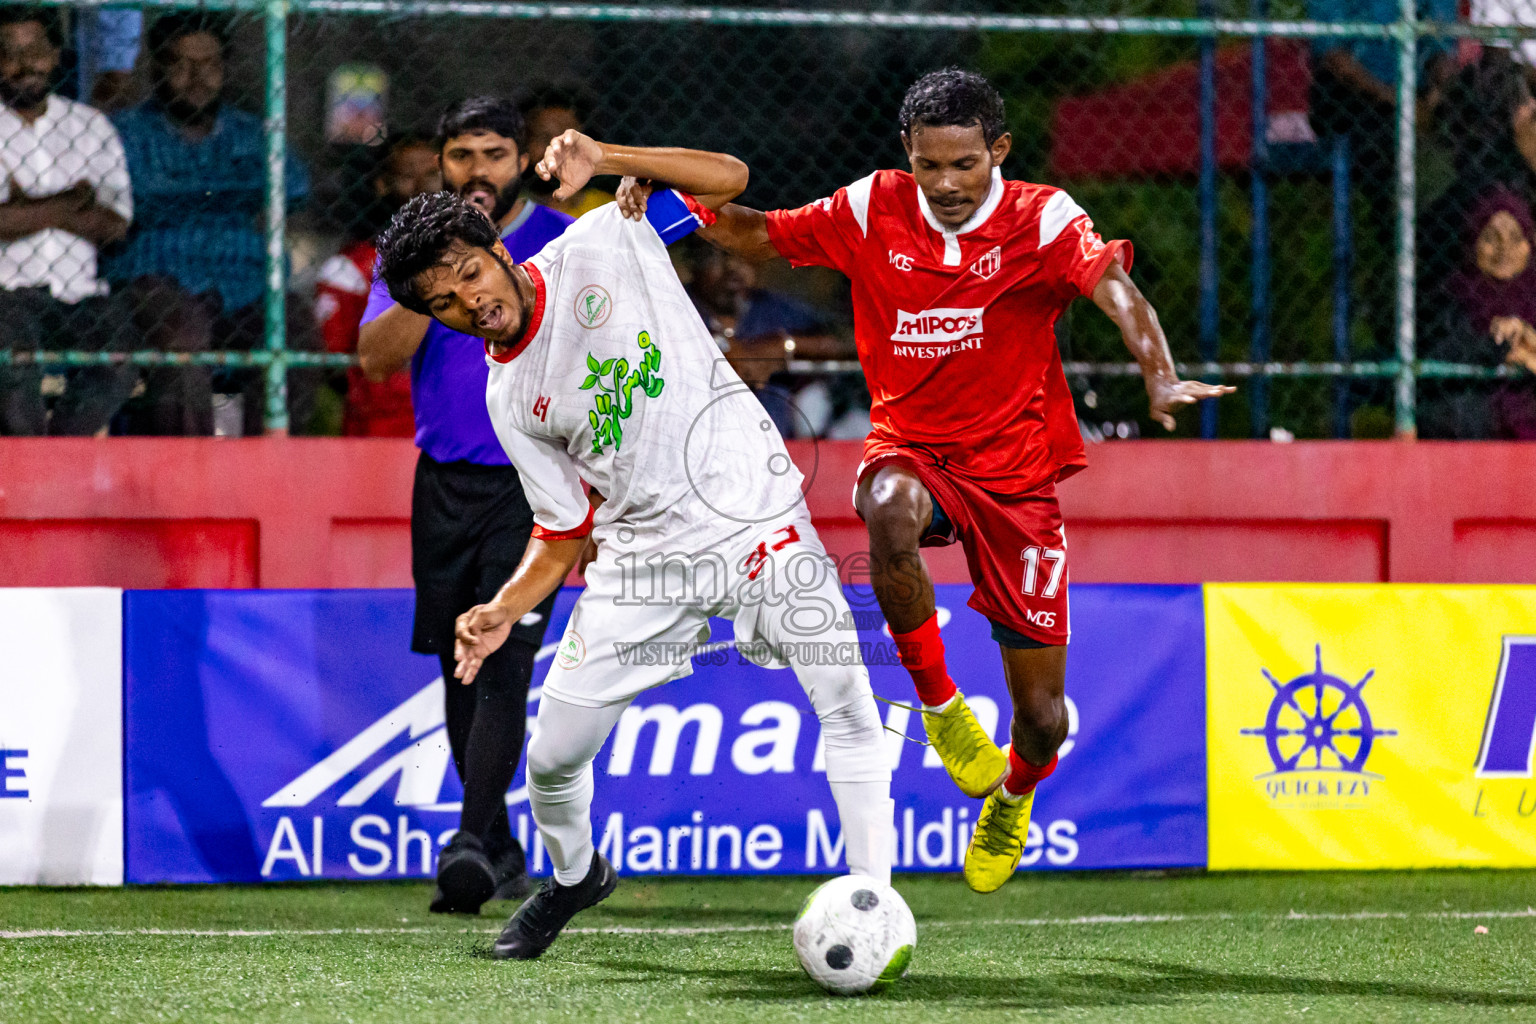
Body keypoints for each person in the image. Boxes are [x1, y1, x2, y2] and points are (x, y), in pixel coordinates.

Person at [693, 68, 1231, 893]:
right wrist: (665, 203)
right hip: (914, 447)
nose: (945, 184)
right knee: (886, 507)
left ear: (998, 152)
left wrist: (1158, 374)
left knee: (1044, 720)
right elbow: (761, 233)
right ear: (908, 155)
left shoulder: (1042, 218)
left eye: (965, 165)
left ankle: (1013, 794)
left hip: (1016, 478)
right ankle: (941, 708)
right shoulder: (874, 206)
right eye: (929, 165)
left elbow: (1115, 289)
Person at [374, 132, 894, 960]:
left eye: (470, 273)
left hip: (752, 515)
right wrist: (505, 608)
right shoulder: (508, 393)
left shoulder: (603, 235)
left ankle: (875, 904)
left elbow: (733, 173)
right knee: (550, 762)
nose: (469, 302)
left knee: (847, 702)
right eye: (443, 301)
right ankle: (576, 877)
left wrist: (609, 159)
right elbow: (562, 530)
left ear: (497, 250)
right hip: (641, 562)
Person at [357, 97, 568, 916]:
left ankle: (473, 839)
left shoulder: (560, 234)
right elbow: (374, 362)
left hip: (535, 481)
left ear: (523, 158)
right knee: (459, 661)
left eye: (493, 154)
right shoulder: (414, 255)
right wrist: (430, 280)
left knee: (506, 656)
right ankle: (499, 844)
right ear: (440, 162)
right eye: (460, 156)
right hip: (443, 480)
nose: (477, 170)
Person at [109, 11, 316, 436]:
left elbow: (294, 188)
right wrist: (234, 195)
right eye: (181, 64)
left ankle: (269, 481)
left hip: (246, 282)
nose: (196, 78)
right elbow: (128, 205)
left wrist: (175, 197)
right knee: (182, 343)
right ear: (158, 67)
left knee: (296, 333)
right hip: (158, 276)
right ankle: (188, 488)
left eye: (209, 65)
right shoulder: (126, 132)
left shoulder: (253, 133)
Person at [0, 5, 138, 436]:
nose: (26, 66)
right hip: (4, 293)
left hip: (80, 294)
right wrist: (69, 205)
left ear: (57, 54)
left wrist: (24, 210)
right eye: (9, 53)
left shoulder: (89, 125)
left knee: (119, 365)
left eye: (37, 50)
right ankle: (31, 482)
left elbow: (116, 224)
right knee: (11, 367)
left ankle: (56, 464)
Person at [1306, 0, 1458, 357]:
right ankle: (1396, 303)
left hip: (1419, 100)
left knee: (1467, 140)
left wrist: (1436, 94)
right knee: (1412, 167)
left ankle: (1446, 288)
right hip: (1357, 102)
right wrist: (1397, 100)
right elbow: (1332, 53)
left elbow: (1441, 44)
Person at [315, 135, 438, 437]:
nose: (423, 186)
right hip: (380, 425)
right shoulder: (350, 269)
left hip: (452, 420)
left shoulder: (478, 259)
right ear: (383, 185)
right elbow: (335, 364)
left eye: (433, 174)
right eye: (408, 176)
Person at [684, 241, 848, 437]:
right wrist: (719, 346)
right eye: (716, 255)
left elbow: (849, 341)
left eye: (743, 254)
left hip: (774, 451)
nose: (733, 266)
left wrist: (785, 345)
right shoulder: (676, 304)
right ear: (693, 261)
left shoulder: (773, 309)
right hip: (694, 444)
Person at [1420, 185, 1536, 439]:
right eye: (1491, 237)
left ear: (1530, 245)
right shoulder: (1453, 297)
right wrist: (1498, 348)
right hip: (1478, 434)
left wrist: (1530, 347)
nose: (1505, 249)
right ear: (1473, 242)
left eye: (1516, 238)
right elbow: (1444, 358)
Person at [519, 87, 612, 218]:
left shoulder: (606, 209)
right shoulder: (510, 211)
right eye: (544, 138)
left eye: (565, 138)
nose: (555, 149)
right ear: (525, 144)